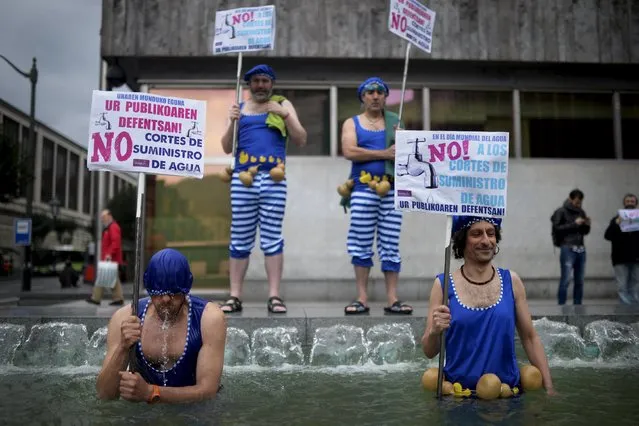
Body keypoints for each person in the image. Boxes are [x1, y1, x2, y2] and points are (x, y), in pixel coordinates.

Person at [422, 215, 556, 395]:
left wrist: (549, 388)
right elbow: (429, 351)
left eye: (491, 233)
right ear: (462, 240)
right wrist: (434, 332)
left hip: (507, 397)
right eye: (476, 234)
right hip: (458, 399)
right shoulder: (443, 285)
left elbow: (530, 338)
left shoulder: (512, 281)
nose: (486, 241)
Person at [219, 64, 307, 314]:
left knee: (272, 237)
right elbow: (226, 148)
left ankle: (274, 296)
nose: (260, 85)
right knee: (240, 237)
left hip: (273, 178)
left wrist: (285, 115)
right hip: (242, 178)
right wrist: (231, 122)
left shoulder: (283, 105)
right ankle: (234, 295)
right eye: (256, 81)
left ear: (272, 83)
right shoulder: (240, 108)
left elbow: (301, 139)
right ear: (249, 84)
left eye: (265, 81)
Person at [96, 248, 227, 403]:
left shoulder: (209, 318)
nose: (165, 299)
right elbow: (104, 394)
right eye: (158, 292)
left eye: (173, 293)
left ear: (186, 289)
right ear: (149, 289)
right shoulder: (126, 317)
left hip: (194, 411)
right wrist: (123, 348)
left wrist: (151, 392)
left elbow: (207, 391)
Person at [340, 76, 412, 315]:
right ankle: (361, 297)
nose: (375, 96)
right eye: (370, 92)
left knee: (391, 243)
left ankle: (393, 298)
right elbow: (349, 151)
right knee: (360, 242)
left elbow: (409, 155)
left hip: (392, 189)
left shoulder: (395, 121)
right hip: (363, 189)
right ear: (363, 97)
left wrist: (404, 142)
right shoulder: (352, 123)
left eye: (380, 92)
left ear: (385, 97)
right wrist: (385, 153)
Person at [551, 189, 590, 305]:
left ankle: (578, 305)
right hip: (567, 247)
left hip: (581, 248)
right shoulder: (561, 211)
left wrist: (586, 225)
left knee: (580, 280)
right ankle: (561, 305)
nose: (578, 204)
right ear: (570, 199)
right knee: (566, 279)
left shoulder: (581, 212)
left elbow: (585, 232)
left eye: (580, 202)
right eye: (577, 202)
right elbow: (557, 228)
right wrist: (575, 224)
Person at [604, 193, 639, 304]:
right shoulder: (616, 219)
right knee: (622, 285)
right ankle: (624, 310)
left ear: (636, 204)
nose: (630, 204)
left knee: (636, 284)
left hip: (636, 257)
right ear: (624, 203)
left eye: (632, 202)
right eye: (627, 201)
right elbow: (607, 236)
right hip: (620, 258)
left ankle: (635, 311)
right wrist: (616, 224)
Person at [87, 209, 125, 306]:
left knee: (102, 276)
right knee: (113, 279)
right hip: (110, 258)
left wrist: (109, 254)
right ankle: (118, 298)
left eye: (104, 217)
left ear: (109, 216)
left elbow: (115, 243)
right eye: (101, 218)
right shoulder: (111, 227)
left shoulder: (113, 227)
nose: (102, 220)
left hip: (111, 258)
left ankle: (96, 298)